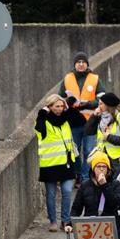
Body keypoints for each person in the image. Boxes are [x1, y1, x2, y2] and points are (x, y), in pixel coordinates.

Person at [36, 94, 85, 231]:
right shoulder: (44, 121)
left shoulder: (66, 119)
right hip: (50, 165)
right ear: (49, 107)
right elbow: (38, 129)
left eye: (61, 106)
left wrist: (68, 107)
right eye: (56, 106)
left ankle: (65, 221)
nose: (59, 108)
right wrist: (42, 113)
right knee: (51, 194)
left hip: (67, 163)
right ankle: (53, 221)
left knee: (67, 191)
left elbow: (81, 120)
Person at [59, 52, 105, 182]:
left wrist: (87, 104)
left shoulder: (95, 79)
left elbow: (102, 98)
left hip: (91, 121)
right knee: (74, 151)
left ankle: (85, 178)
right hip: (73, 121)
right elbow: (60, 98)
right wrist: (68, 101)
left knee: (89, 151)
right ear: (75, 64)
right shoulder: (67, 78)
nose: (80, 64)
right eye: (78, 62)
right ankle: (79, 174)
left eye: (83, 62)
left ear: (87, 64)